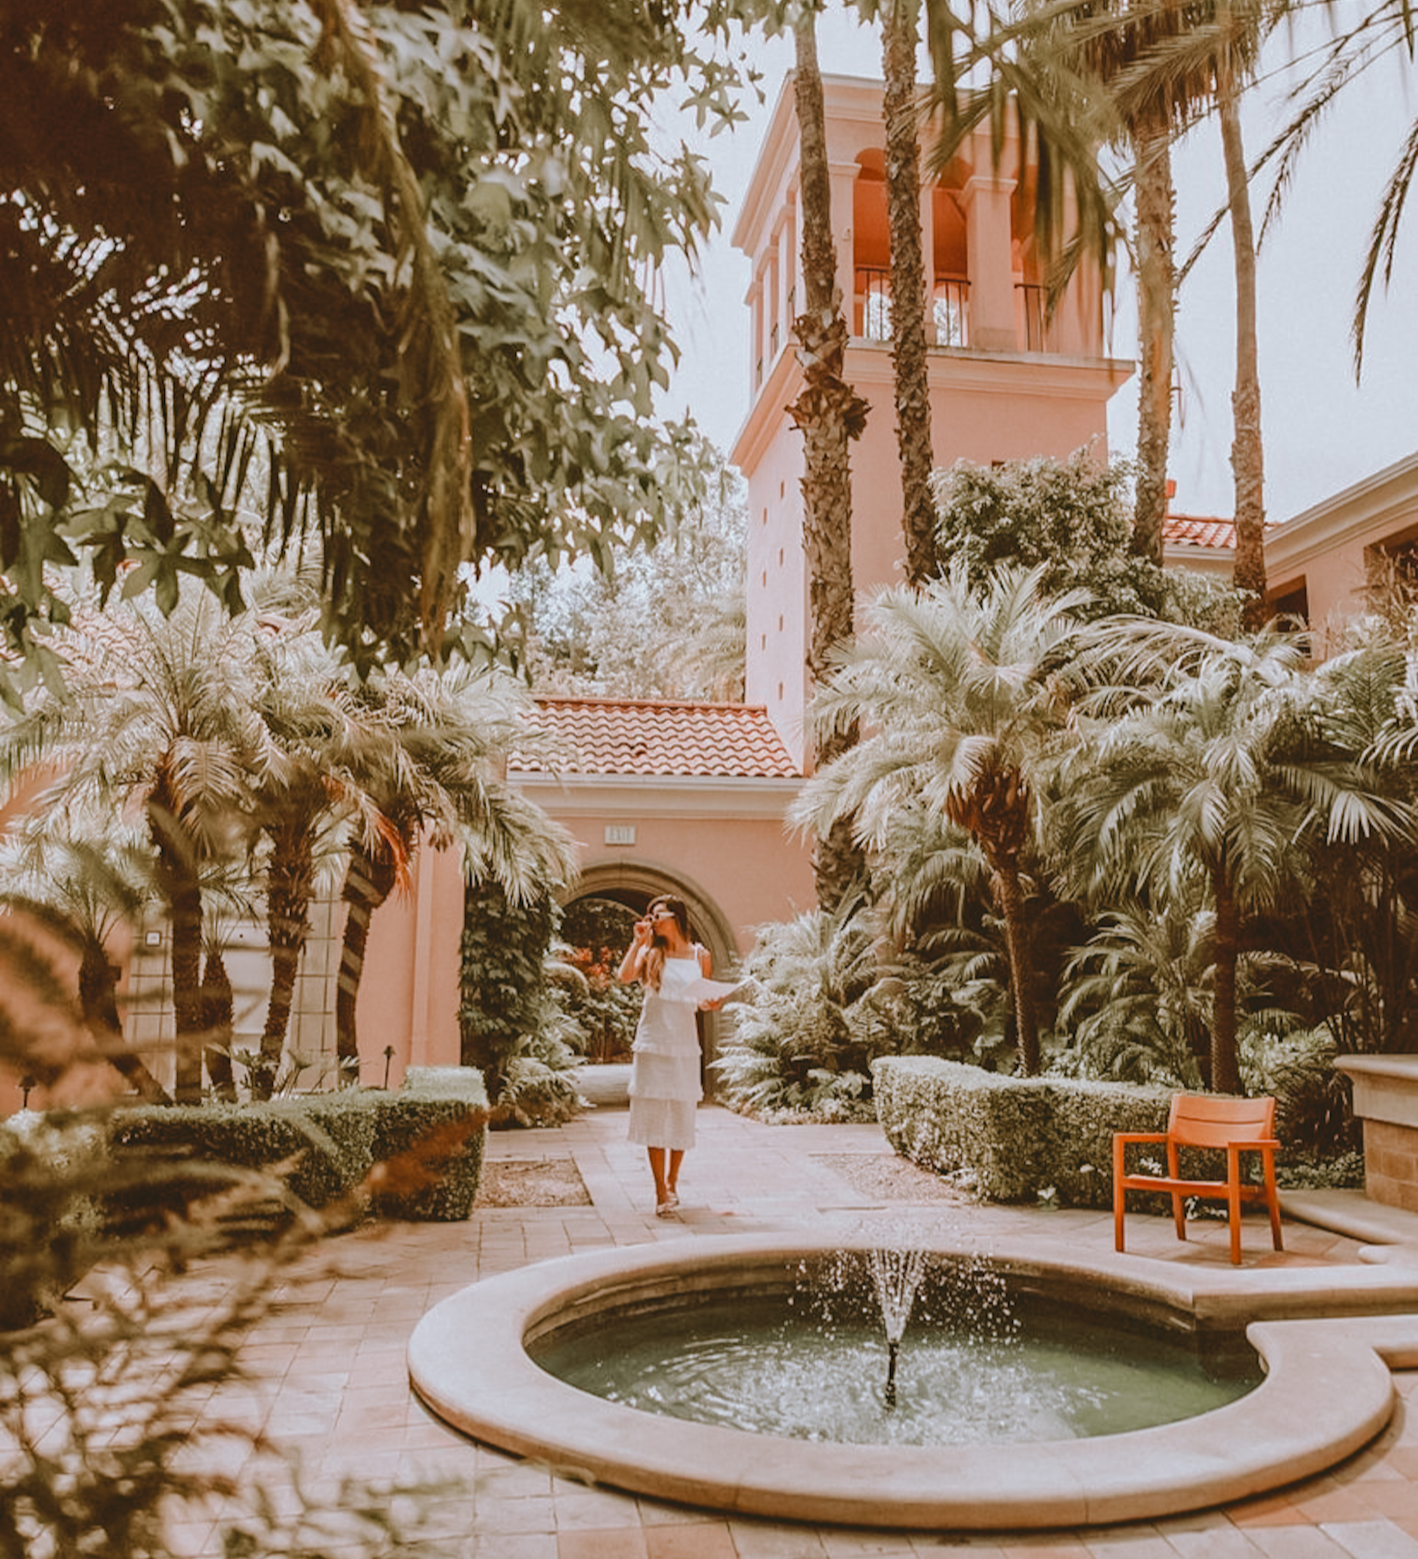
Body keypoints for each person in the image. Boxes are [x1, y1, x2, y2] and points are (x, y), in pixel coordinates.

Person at [616, 895, 718, 1216]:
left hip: (684, 1045)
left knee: (680, 1112)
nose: (653, 921)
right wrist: (637, 942)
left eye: (659, 916)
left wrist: (711, 1003)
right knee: (654, 1113)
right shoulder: (651, 952)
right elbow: (624, 976)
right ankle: (659, 1189)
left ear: (676, 918)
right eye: (652, 916)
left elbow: (701, 1002)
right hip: (652, 1042)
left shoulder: (700, 955)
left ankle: (673, 1180)